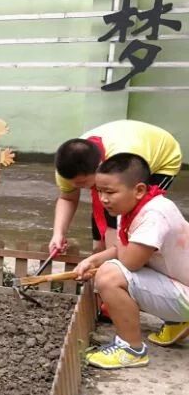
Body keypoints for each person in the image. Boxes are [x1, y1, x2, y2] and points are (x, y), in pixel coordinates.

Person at [51, 120, 183, 343]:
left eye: (85, 183)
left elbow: (123, 247)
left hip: (162, 155)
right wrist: (58, 234)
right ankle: (116, 289)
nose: (82, 189)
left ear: (100, 168)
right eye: (77, 185)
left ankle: (147, 321)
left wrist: (107, 264)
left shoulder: (124, 165)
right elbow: (67, 198)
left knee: (131, 239)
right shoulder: (67, 170)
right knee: (116, 226)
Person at [73, 154, 189, 369]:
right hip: (180, 282)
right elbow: (125, 248)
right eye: (99, 191)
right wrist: (93, 259)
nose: (103, 199)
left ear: (139, 190)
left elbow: (130, 263)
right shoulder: (133, 206)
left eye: (110, 192)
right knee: (107, 267)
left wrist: (101, 266)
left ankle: (131, 349)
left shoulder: (154, 215)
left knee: (109, 276)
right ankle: (179, 320)